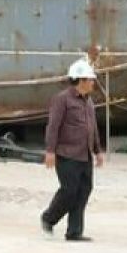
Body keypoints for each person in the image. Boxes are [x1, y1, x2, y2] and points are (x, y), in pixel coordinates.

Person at [40, 58, 104, 241]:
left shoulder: (88, 102)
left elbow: (93, 128)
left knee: (83, 191)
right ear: (81, 80)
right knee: (69, 190)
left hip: (85, 155)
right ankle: (48, 218)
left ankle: (74, 232)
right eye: (90, 79)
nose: (93, 82)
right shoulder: (62, 100)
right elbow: (53, 126)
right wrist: (50, 151)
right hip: (66, 154)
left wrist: (98, 151)